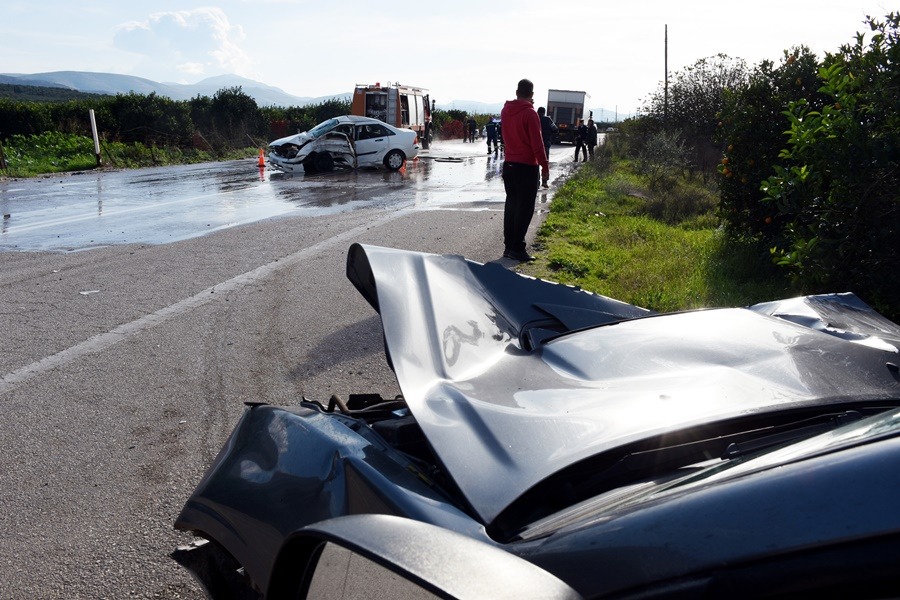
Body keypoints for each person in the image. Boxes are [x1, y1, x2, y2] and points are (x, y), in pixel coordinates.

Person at [500, 78, 549, 262]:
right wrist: (544, 165)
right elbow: (537, 143)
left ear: (516, 92)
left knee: (511, 205)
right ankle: (518, 248)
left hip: (509, 164)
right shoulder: (530, 114)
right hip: (526, 165)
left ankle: (508, 246)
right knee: (525, 207)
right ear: (532, 94)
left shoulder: (506, 110)